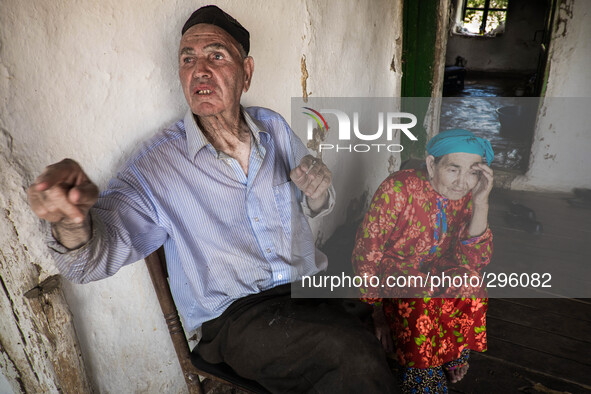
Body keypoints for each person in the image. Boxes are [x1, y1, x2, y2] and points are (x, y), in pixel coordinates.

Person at [27, 5, 397, 393]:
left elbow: (314, 201)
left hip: (308, 288)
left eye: (216, 55)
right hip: (240, 320)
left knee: (383, 320)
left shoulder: (273, 127)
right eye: (188, 59)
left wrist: (319, 192)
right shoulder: (157, 167)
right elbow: (87, 264)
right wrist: (71, 220)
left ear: (246, 73)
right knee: (352, 355)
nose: (199, 70)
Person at [352, 129, 494, 393]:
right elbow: (367, 251)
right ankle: (423, 372)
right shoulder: (398, 188)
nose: (462, 182)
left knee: (471, 281)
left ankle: (453, 350)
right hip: (395, 272)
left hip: (438, 266)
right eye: (453, 169)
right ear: (432, 164)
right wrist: (376, 311)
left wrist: (481, 203)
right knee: (422, 295)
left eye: (473, 172)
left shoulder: (467, 194)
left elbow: (474, 259)